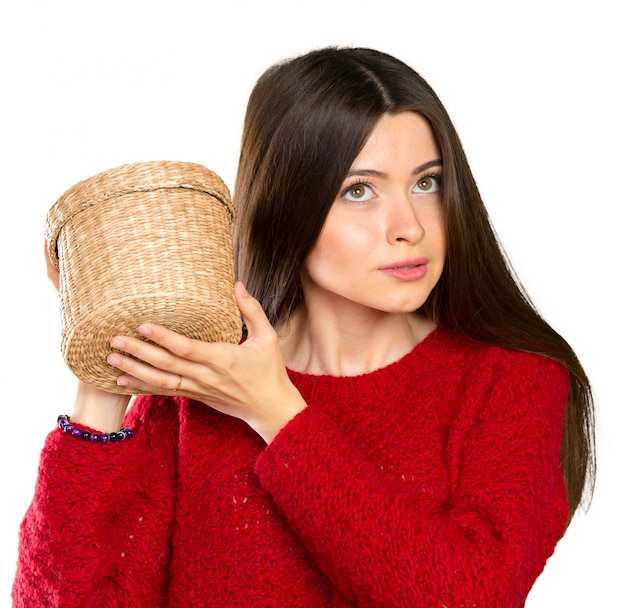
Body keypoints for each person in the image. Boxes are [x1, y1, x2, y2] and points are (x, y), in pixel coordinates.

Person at [12, 46, 595, 607]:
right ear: (286, 204)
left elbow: (469, 597)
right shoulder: (202, 384)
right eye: (359, 191)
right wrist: (103, 383)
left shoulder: (513, 381)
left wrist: (277, 414)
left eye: (427, 182)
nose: (409, 226)